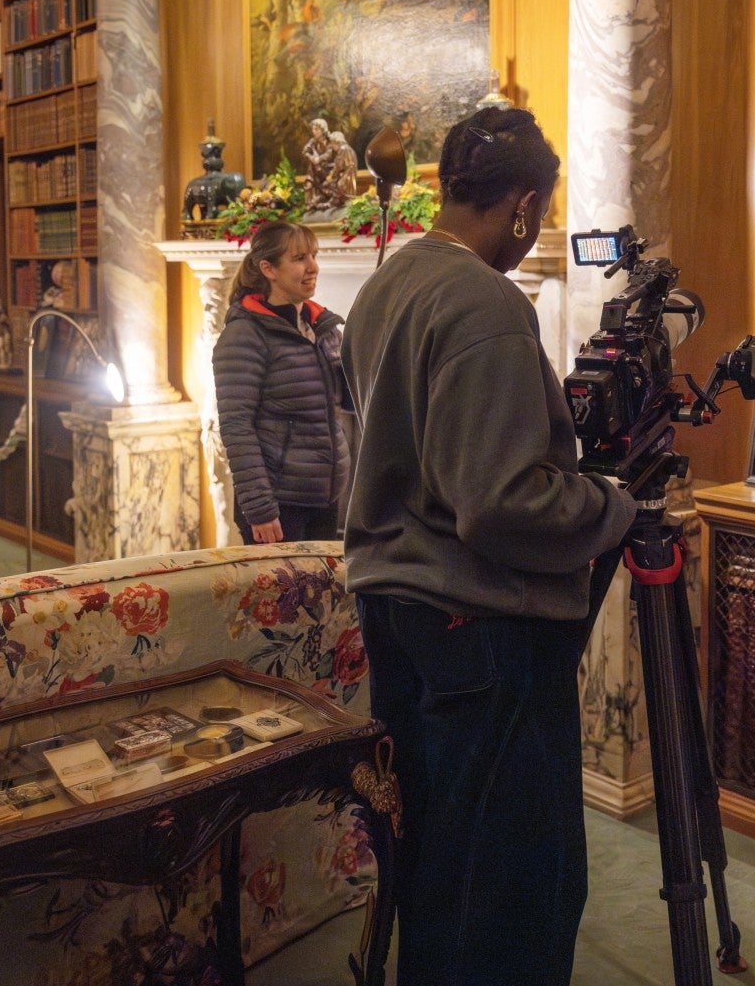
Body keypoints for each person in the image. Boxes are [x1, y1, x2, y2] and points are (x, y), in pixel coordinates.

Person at [340, 105, 638, 986]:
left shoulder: (385, 285)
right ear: (522, 203)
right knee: (516, 888)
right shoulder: (488, 304)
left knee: (437, 862)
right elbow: (503, 503)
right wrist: (612, 506)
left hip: (396, 614)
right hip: (485, 631)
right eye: (536, 212)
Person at [212, 220, 348, 543]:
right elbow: (236, 426)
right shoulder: (244, 334)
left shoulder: (322, 326)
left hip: (324, 498)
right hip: (279, 506)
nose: (313, 267)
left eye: (313, 256)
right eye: (300, 258)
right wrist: (260, 508)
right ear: (268, 269)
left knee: (320, 595)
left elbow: (347, 398)